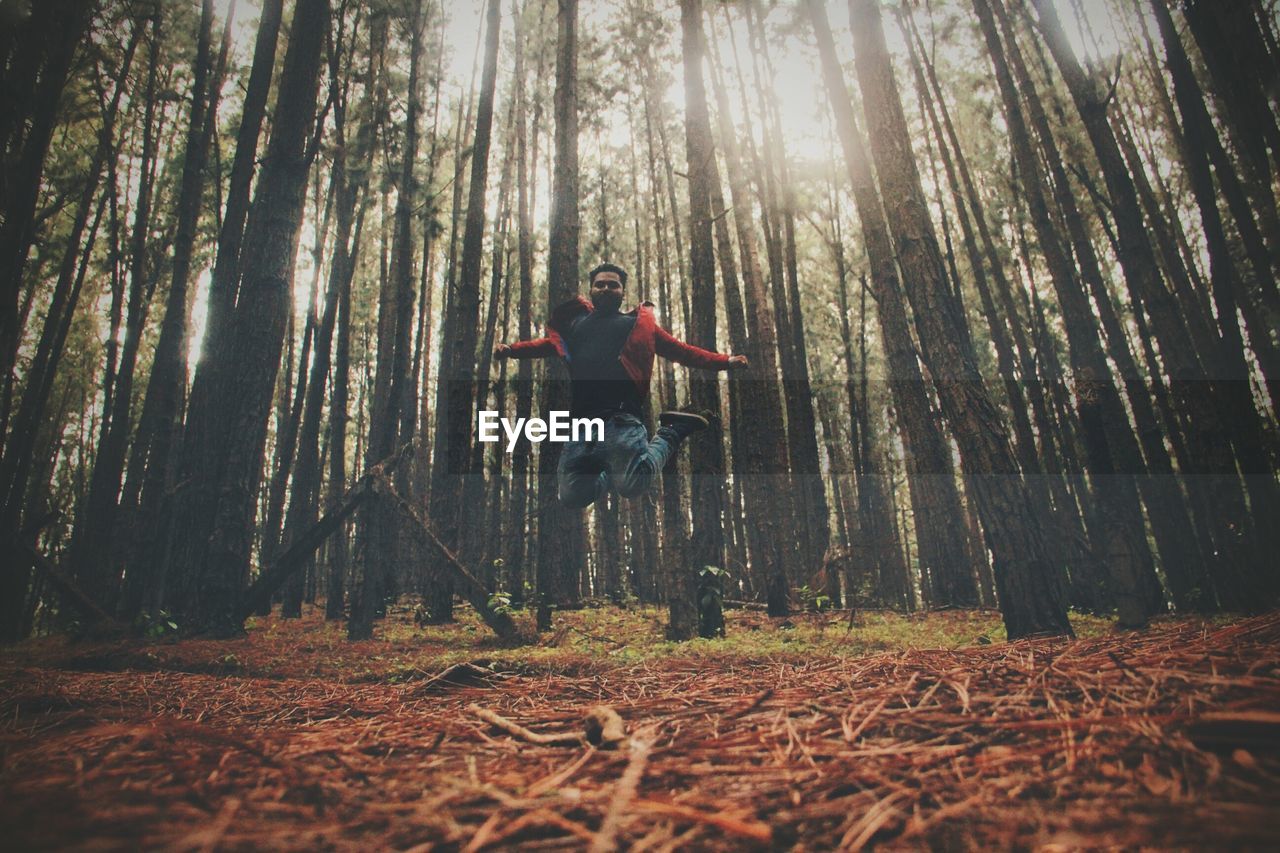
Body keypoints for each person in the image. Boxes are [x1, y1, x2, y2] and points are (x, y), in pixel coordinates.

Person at [494, 263, 748, 508]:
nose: (605, 289)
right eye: (600, 284)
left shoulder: (638, 327)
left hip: (622, 419)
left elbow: (682, 351)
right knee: (571, 494)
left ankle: (672, 431)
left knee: (632, 484)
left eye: (613, 285)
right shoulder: (576, 326)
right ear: (591, 290)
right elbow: (546, 345)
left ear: (622, 292)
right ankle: (608, 472)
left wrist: (726, 361)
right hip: (582, 426)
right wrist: (511, 350)